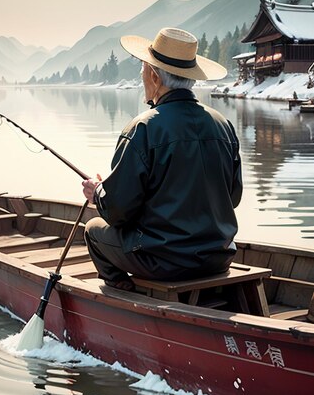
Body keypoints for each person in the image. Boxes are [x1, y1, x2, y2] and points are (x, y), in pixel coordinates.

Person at [82, 27, 243, 291]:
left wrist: (98, 193)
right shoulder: (223, 125)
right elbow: (233, 198)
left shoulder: (143, 128)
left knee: (93, 230)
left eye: (143, 70)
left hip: (164, 262)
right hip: (219, 257)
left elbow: (117, 213)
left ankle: (123, 292)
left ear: (155, 77)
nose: (142, 77)